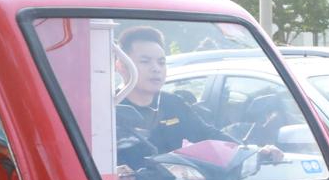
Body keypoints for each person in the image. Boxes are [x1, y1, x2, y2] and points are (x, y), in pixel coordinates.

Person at [114, 26, 280, 164]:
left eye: (161, 62)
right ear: (121, 65)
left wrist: (252, 152)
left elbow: (208, 135)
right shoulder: (107, 108)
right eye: (145, 61)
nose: (156, 68)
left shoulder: (173, 103)